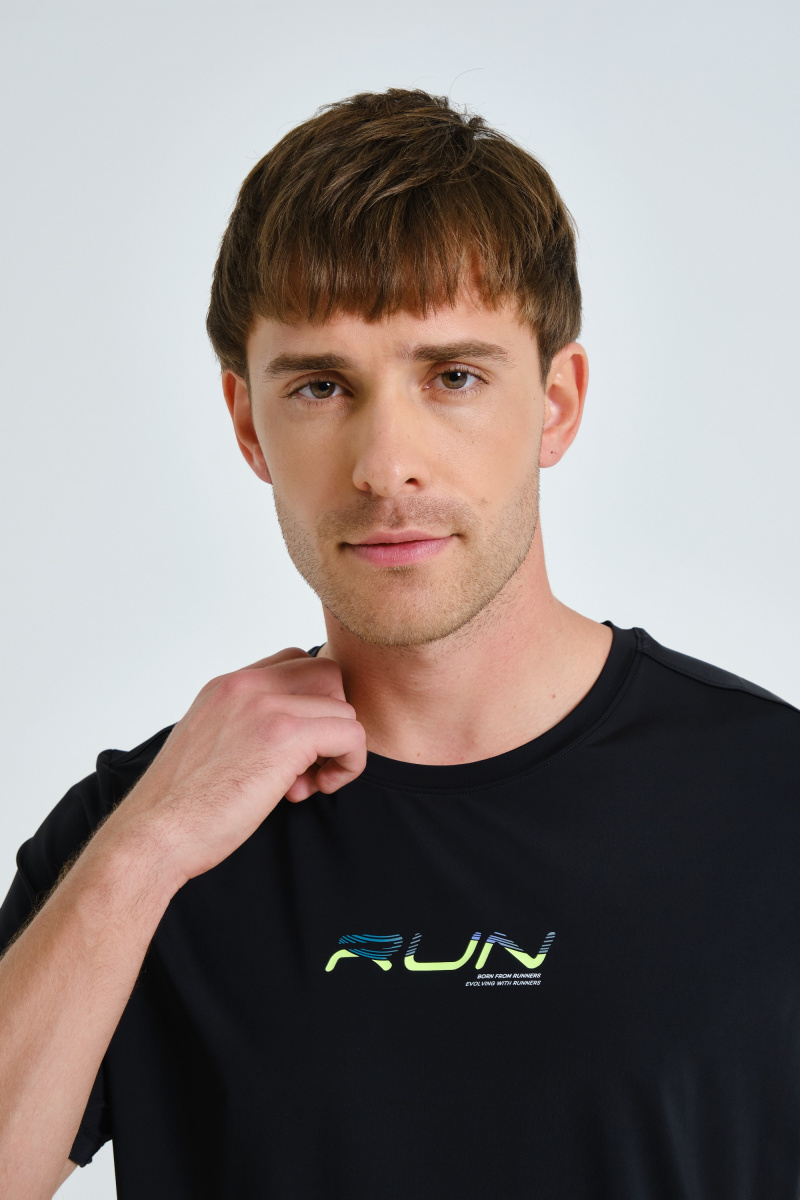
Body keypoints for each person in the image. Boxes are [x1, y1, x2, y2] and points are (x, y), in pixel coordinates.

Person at [0, 87, 798, 1200]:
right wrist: (145, 850)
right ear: (248, 424)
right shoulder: (140, 832)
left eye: (453, 376)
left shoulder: (771, 797)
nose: (385, 465)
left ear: (556, 402)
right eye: (320, 386)